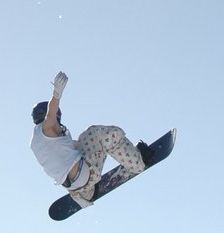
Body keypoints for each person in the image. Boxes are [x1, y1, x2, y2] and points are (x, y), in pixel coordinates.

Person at [30, 71, 153, 206]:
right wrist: (56, 93)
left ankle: (87, 192)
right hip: (86, 175)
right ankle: (138, 162)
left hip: (75, 187)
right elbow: (50, 116)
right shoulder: (46, 127)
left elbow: (62, 157)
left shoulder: (37, 142)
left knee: (78, 144)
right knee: (98, 134)